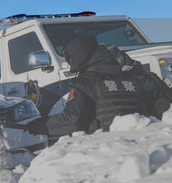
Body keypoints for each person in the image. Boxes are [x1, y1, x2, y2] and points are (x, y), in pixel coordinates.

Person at [26, 35, 169, 136]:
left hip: (104, 148)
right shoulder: (133, 77)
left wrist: (37, 125)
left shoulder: (86, 82)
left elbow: (72, 120)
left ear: (80, 59)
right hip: (141, 144)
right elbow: (153, 114)